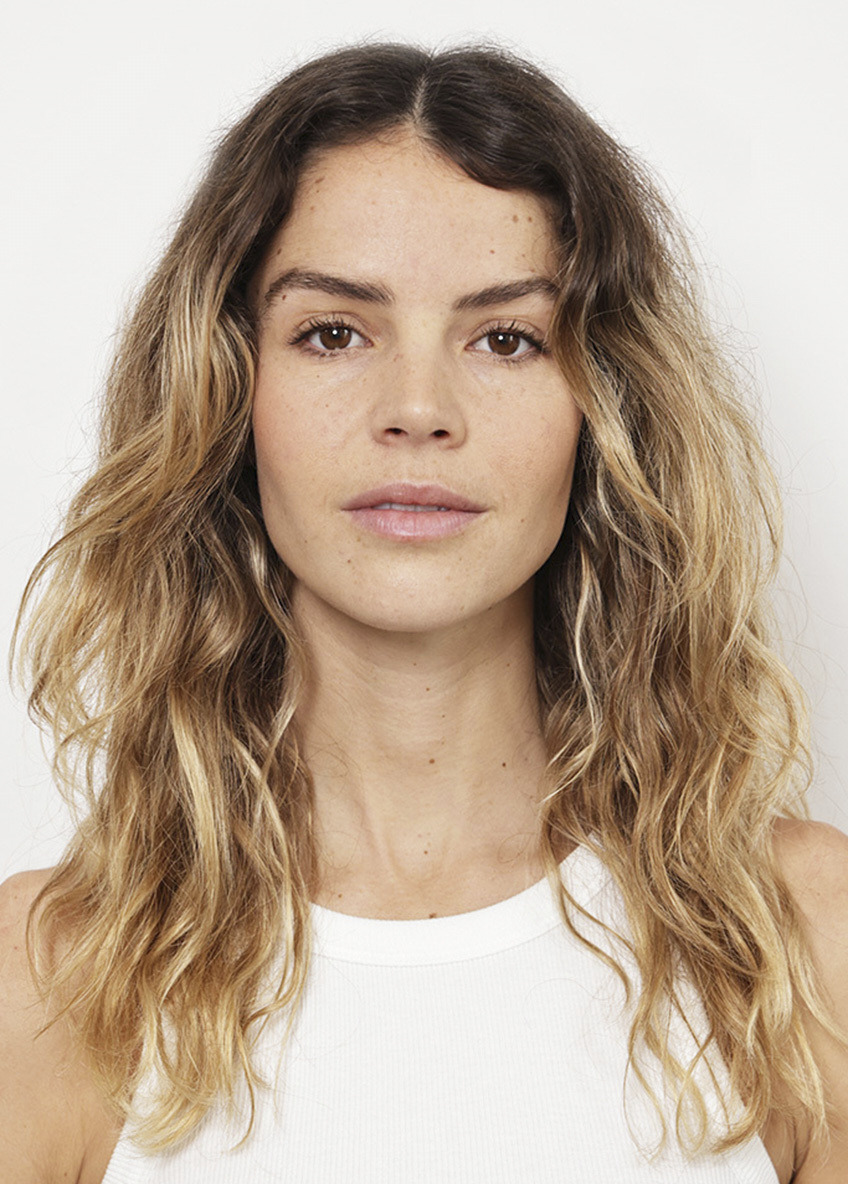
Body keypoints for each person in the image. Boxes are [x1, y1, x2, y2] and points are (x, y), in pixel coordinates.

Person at [1, 40, 846, 1184]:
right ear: (226, 391)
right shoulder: (47, 979)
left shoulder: (799, 938)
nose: (415, 407)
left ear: (602, 407)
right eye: (332, 332)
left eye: (504, 337)